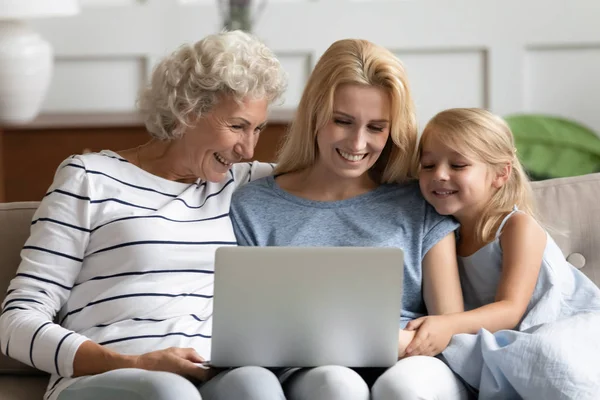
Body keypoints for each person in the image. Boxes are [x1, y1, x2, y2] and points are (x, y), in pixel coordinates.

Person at [0, 30, 287, 400]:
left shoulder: (246, 183)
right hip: (110, 376)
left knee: (257, 385)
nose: (248, 149)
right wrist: (132, 363)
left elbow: (344, 171)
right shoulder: (89, 178)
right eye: (237, 126)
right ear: (187, 112)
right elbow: (16, 322)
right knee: (170, 393)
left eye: (258, 128)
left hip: (211, 375)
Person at [230, 38, 471, 400]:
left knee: (402, 388)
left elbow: (453, 328)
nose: (358, 143)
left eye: (376, 127)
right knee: (336, 385)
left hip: (411, 360)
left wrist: (397, 342)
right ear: (314, 115)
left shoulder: (420, 201)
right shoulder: (254, 206)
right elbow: (248, 333)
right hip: (307, 367)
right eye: (343, 121)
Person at [413, 107, 600, 398]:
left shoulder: (516, 226)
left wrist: (445, 324)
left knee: (545, 354)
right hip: (504, 335)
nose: (439, 175)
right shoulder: (442, 237)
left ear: (500, 173)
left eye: (458, 165)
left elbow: (510, 309)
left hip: (559, 326)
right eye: (427, 165)